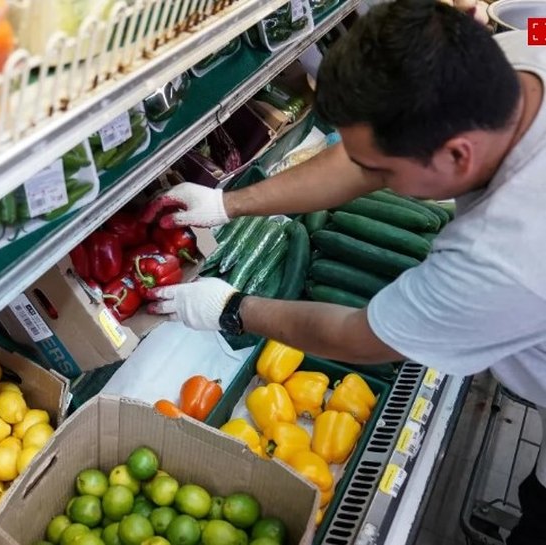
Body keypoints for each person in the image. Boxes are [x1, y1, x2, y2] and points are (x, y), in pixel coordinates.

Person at [142, 1, 546, 543]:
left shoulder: (504, 255)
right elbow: (361, 156)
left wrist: (232, 309)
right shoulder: (514, 57)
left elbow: (362, 336)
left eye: (385, 173)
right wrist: (228, 204)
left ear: (456, 155)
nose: (372, 176)